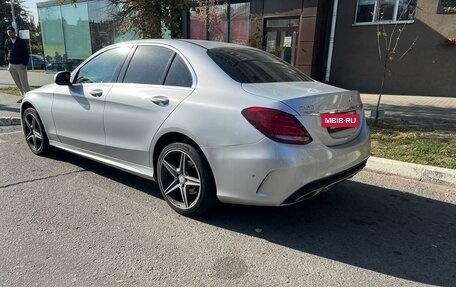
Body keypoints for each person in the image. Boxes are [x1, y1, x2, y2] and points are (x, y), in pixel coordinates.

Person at [4, 26, 30, 103]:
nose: (10, 33)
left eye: (11, 32)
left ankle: (29, 99)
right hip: (11, 66)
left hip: (20, 65)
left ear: (15, 32)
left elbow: (26, 53)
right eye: (9, 32)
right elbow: (6, 52)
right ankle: (23, 97)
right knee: (18, 83)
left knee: (24, 83)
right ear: (7, 33)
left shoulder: (21, 41)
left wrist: (24, 63)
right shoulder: (7, 41)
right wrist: (7, 61)